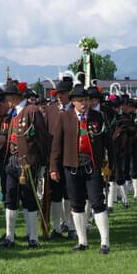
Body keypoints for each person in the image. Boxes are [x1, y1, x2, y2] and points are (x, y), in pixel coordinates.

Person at [50, 85, 114, 254]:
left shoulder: (98, 116)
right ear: (73, 102)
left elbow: (109, 142)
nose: (84, 104)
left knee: (97, 202)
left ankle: (105, 242)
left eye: (86, 100)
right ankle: (82, 241)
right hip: (71, 166)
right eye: (80, 101)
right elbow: (57, 145)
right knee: (76, 203)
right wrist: (53, 168)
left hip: (92, 166)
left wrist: (111, 164)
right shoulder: (64, 117)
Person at [0, 82, 48, 249]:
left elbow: (42, 138)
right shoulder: (13, 112)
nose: (7, 100)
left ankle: (33, 237)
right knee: (10, 197)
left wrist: (41, 162)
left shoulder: (32, 110)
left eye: (8, 97)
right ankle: (9, 236)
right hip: (12, 159)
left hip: (28, 161)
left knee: (30, 198)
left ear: (14, 97)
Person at [44, 77, 76, 240]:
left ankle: (71, 226)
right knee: (55, 194)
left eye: (63, 94)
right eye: (58, 94)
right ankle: (56, 228)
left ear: (69, 94)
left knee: (69, 193)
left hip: (71, 157)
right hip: (54, 158)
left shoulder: (75, 110)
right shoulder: (50, 110)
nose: (59, 97)